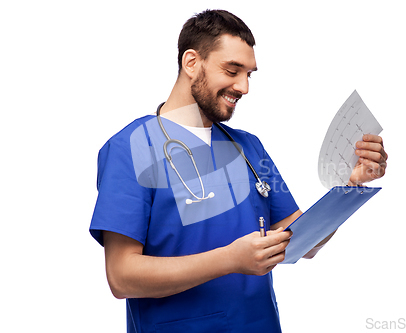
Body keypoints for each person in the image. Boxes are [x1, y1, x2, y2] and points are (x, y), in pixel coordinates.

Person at [90, 9, 388, 333]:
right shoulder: (130, 149)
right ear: (191, 63)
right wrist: (230, 260)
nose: (244, 87)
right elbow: (121, 277)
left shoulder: (248, 149)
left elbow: (306, 244)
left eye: (250, 74)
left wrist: (352, 186)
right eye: (232, 70)